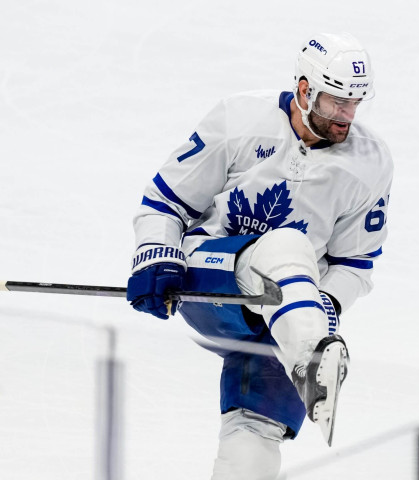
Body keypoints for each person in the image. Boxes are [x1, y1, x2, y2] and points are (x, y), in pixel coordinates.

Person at [127, 32, 393, 480]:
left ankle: (307, 347)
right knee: (286, 245)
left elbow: (354, 266)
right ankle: (310, 355)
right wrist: (155, 253)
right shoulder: (239, 119)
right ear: (305, 90)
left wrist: (321, 305)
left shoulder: (370, 162)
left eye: (355, 103)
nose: (348, 116)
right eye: (337, 102)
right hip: (212, 278)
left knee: (254, 435)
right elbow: (164, 203)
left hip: (283, 314)